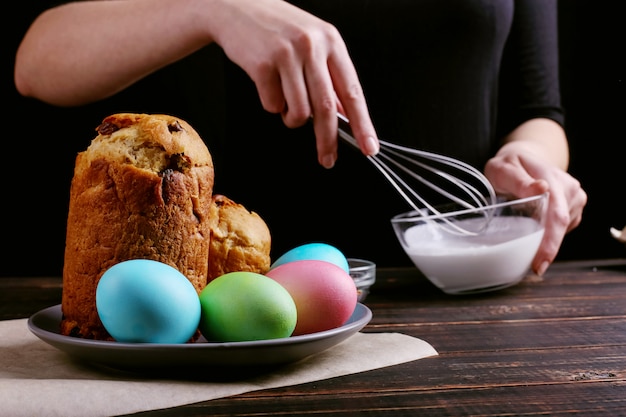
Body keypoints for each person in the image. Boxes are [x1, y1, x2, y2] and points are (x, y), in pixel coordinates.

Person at [14, 0, 586, 276]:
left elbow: (539, 110)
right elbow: (37, 59)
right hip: (242, 323)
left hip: (466, 300)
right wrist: (214, 8)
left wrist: (531, 160)